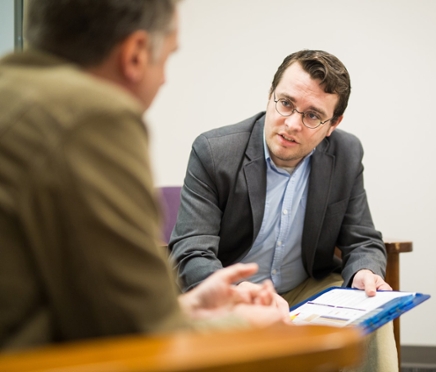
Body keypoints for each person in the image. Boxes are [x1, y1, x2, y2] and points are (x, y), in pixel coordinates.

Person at [0, 0, 288, 351]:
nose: (165, 77)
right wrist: (242, 326)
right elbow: (146, 340)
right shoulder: (91, 116)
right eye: (167, 57)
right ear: (136, 53)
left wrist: (185, 308)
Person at [169, 49, 398, 371]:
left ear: (333, 124)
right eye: (286, 103)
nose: (291, 124)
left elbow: (361, 238)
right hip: (236, 295)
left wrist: (365, 272)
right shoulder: (214, 152)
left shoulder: (346, 153)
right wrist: (235, 291)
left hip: (306, 289)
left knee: (373, 311)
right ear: (270, 95)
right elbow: (191, 251)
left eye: (313, 115)